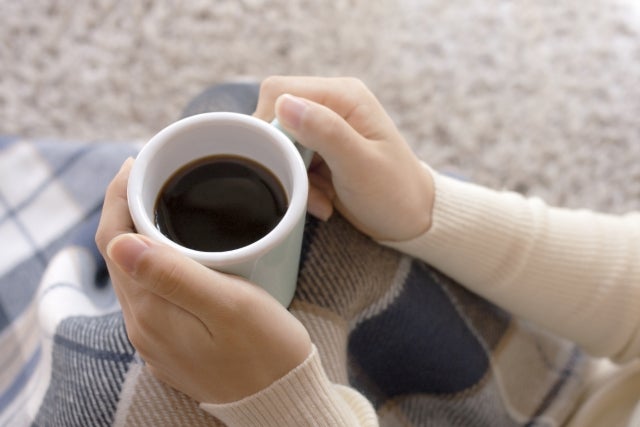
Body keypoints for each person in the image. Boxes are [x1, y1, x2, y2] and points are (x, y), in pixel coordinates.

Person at [95, 76, 640, 426]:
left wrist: (278, 406)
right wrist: (423, 207)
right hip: (563, 366)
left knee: (117, 387)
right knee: (236, 107)